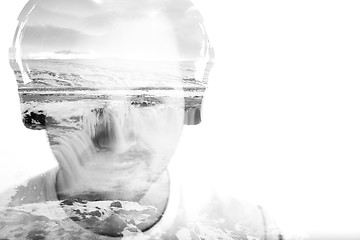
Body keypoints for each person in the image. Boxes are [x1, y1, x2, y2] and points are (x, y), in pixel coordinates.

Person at [1, 0, 282, 239]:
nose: (118, 141)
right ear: (33, 104)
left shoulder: (251, 231)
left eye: (146, 101)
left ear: (192, 100)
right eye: (81, 99)